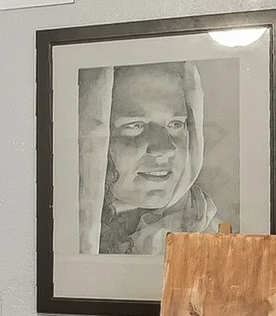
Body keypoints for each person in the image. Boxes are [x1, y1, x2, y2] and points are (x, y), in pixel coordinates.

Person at [79, 61, 219, 254]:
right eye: (135, 126)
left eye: (175, 124)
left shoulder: (209, 232)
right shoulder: (65, 231)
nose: (164, 149)